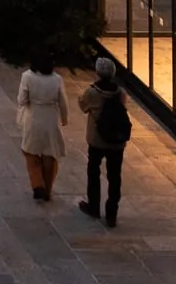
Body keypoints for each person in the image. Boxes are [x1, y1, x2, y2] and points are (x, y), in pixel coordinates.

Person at [79, 56, 132, 225]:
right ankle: (112, 212)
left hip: (97, 140)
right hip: (117, 142)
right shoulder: (120, 92)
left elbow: (82, 106)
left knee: (93, 172)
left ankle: (94, 207)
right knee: (115, 176)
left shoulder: (92, 92)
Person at [17, 50, 68, 202]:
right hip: (51, 118)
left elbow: (22, 99)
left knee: (31, 152)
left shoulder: (27, 77)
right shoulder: (57, 79)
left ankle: (37, 184)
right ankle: (48, 189)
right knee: (50, 154)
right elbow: (63, 102)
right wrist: (64, 119)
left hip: (33, 117)